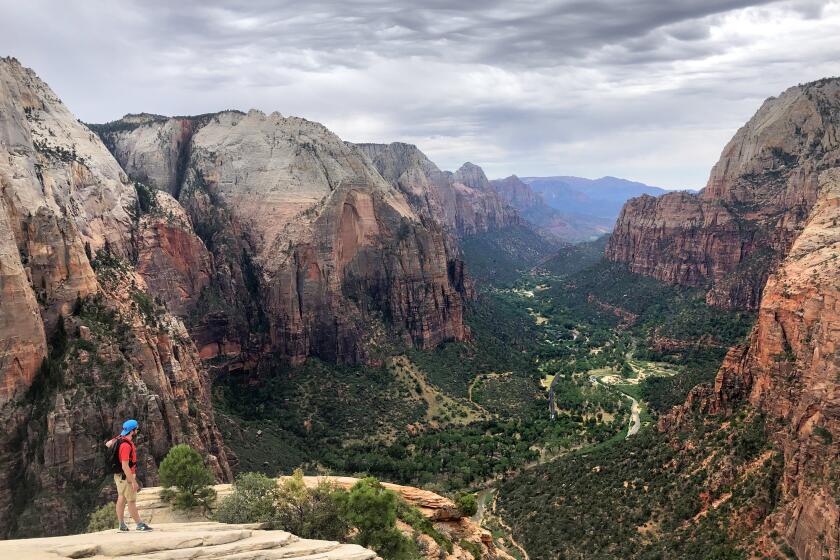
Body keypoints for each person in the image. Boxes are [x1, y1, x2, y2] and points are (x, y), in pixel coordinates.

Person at [105, 419, 153, 532]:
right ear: (132, 431)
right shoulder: (126, 445)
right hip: (126, 476)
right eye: (136, 428)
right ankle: (139, 525)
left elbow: (107, 444)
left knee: (121, 497)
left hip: (118, 476)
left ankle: (121, 524)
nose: (137, 430)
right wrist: (133, 481)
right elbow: (125, 466)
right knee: (131, 501)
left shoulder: (118, 439)